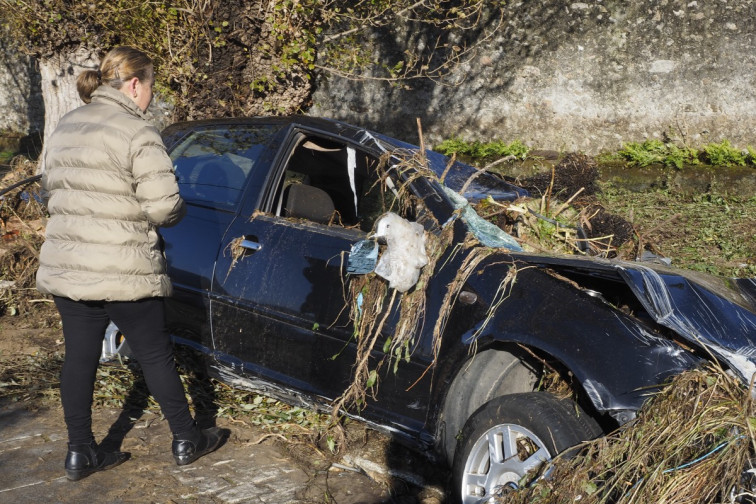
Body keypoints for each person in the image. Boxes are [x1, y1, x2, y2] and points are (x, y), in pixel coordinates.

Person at [36, 46, 226, 481]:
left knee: (78, 359)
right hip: (125, 268)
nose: (150, 99)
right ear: (135, 84)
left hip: (70, 266)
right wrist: (175, 209)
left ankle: (79, 453)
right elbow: (163, 209)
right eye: (151, 89)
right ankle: (185, 438)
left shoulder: (67, 124)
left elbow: (52, 188)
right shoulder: (137, 131)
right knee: (156, 355)